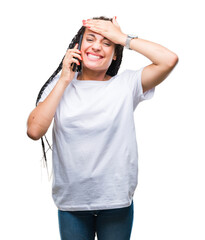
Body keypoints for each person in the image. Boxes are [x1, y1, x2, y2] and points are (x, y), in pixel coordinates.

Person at [27, 16, 178, 240]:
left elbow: (169, 60)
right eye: (90, 39)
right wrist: (64, 80)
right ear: (78, 46)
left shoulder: (126, 85)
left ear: (115, 54)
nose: (97, 46)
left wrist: (123, 38)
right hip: (72, 202)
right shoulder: (60, 84)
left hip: (115, 200)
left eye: (107, 43)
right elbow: (34, 131)